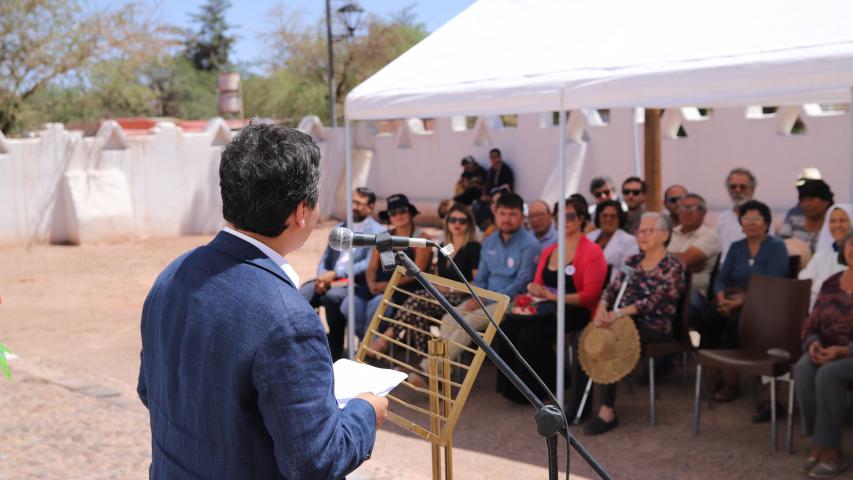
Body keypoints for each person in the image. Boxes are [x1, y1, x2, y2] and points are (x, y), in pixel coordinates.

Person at [137, 124, 386, 479]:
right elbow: (316, 461)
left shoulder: (173, 274)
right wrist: (366, 410)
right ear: (302, 212)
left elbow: (151, 390)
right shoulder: (287, 318)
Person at [495, 197, 607, 408]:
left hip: (577, 311)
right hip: (549, 309)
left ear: (582, 218)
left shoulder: (592, 251)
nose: (564, 220)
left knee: (530, 334)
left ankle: (542, 389)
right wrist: (533, 288)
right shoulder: (550, 250)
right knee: (507, 326)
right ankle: (515, 389)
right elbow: (536, 283)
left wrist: (555, 297)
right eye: (560, 216)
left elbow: (591, 296)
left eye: (571, 215)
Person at [584, 212, 686, 435]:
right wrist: (603, 307)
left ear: (665, 235)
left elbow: (656, 301)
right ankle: (578, 407)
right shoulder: (634, 261)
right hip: (622, 320)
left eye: (649, 231)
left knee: (611, 342)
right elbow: (612, 288)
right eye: (640, 231)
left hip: (654, 326)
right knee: (591, 337)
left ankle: (606, 411)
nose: (642, 235)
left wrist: (618, 313)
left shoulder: (672, 266)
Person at [696, 200, 789, 409]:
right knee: (706, 317)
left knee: (735, 322)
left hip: (763, 302)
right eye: (747, 219)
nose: (751, 223)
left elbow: (772, 282)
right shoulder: (737, 247)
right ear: (741, 223)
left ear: (766, 223)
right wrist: (720, 297)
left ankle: (732, 380)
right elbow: (721, 277)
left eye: (756, 219)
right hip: (731, 298)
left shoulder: (777, 247)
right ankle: (714, 373)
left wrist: (740, 302)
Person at [371, 204, 481, 369]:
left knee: (416, 300)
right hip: (440, 296)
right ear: (447, 222)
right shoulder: (445, 245)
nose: (457, 224)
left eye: (462, 221)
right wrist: (438, 284)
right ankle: (430, 366)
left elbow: (477, 282)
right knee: (418, 313)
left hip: (460, 298)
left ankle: (384, 340)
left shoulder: (473, 247)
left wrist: (451, 289)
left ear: (469, 224)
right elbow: (437, 274)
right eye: (453, 219)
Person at [438, 192, 541, 361]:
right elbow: (481, 279)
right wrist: (478, 297)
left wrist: (486, 300)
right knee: (448, 318)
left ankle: (430, 370)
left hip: (513, 301)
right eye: (502, 213)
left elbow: (521, 283)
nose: (507, 219)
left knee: (469, 322)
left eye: (512, 214)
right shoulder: (489, 241)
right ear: (495, 214)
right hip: (485, 298)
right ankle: (439, 374)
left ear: (522, 217)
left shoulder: (530, 244)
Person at [794, 231, 853, 479]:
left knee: (828, 374)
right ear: (844, 250)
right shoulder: (832, 282)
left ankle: (831, 452)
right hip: (827, 349)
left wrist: (844, 351)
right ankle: (820, 441)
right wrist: (813, 343)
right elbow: (811, 323)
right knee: (804, 367)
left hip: (848, 353)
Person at [300, 188, 385, 360]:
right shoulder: (340, 228)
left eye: (359, 204)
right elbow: (325, 257)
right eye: (352, 202)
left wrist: (336, 274)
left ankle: (335, 349)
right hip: (328, 278)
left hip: (354, 282)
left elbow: (367, 264)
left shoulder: (378, 231)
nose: (354, 206)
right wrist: (322, 275)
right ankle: (313, 342)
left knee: (332, 298)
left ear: (370, 207)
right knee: (303, 294)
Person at [345, 194, 432, 338]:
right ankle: (365, 340)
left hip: (402, 290)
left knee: (378, 304)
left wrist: (387, 285)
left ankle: (367, 347)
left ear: (410, 212)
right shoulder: (383, 237)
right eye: (393, 213)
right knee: (349, 303)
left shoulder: (421, 238)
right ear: (389, 217)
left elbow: (417, 272)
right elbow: (372, 267)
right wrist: (371, 283)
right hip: (377, 287)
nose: (398, 215)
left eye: (402, 211)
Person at [667, 193, 721, 316]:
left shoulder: (709, 235)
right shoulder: (670, 232)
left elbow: (684, 261)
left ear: (704, 213)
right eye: (683, 208)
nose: (687, 212)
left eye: (692, 208)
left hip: (693, 292)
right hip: (665, 286)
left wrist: (662, 256)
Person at [799, 204, 853, 308]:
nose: (837, 225)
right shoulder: (822, 254)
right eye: (833, 221)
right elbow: (804, 280)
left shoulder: (851, 256)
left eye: (843, 220)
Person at [780, 179, 834, 253]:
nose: (807, 204)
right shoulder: (792, 223)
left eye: (811, 199)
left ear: (826, 201)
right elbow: (780, 250)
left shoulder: (833, 227)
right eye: (803, 200)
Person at [586, 199, 639, 274]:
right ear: (598, 217)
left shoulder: (629, 241)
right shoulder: (589, 237)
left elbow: (628, 270)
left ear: (620, 219)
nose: (608, 219)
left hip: (612, 284)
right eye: (604, 215)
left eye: (613, 216)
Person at [716, 167, 757, 262]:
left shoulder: (762, 218)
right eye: (733, 187)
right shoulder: (722, 218)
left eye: (742, 187)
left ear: (752, 190)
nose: (737, 190)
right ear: (728, 190)